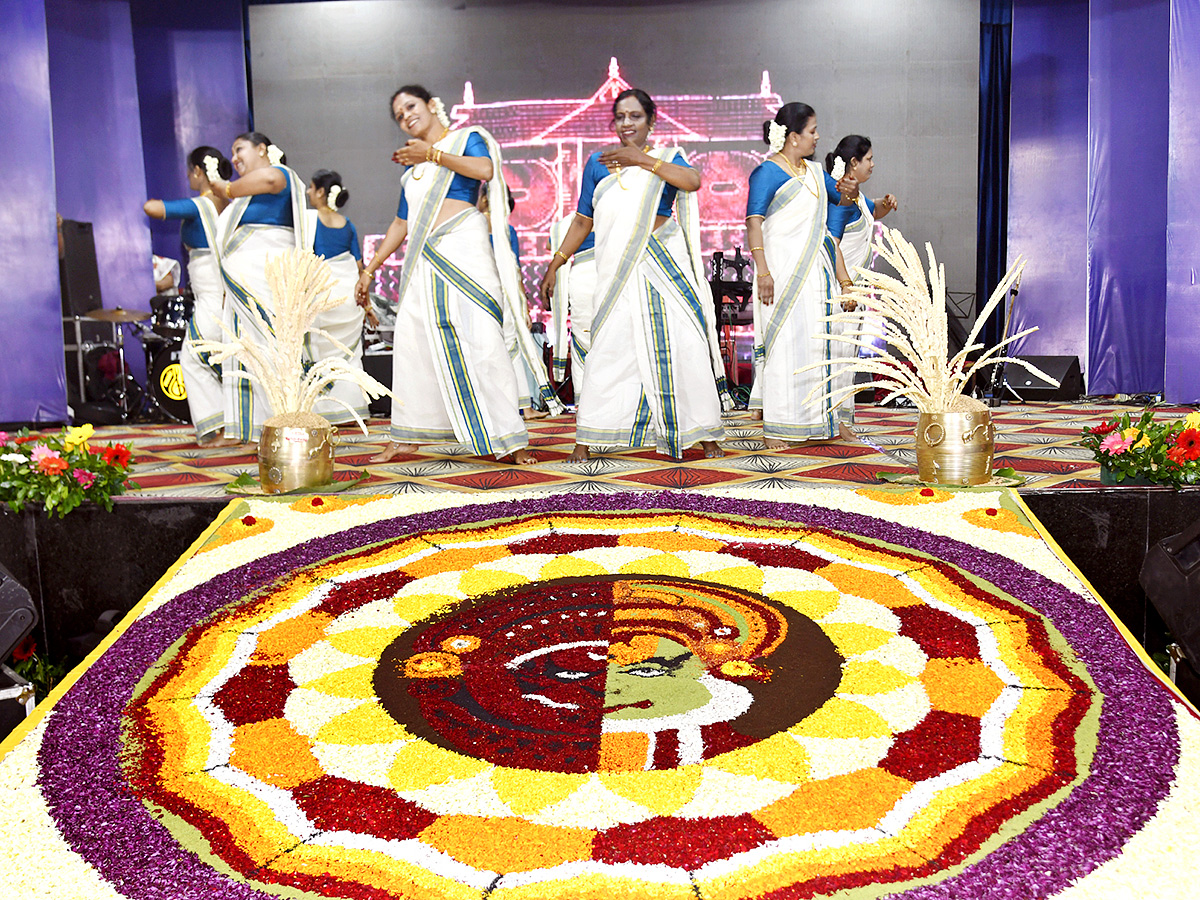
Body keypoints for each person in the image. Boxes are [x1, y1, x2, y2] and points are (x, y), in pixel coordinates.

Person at [538, 88, 728, 462]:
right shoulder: (598, 163)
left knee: (685, 345)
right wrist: (556, 261)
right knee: (609, 347)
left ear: (651, 121)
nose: (626, 124)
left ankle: (706, 435)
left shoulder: (668, 158)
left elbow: (692, 181)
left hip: (663, 262)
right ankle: (586, 437)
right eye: (620, 117)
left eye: (635, 117)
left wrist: (642, 161)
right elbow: (582, 220)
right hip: (618, 271)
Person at [355, 85, 534, 464]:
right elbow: (402, 223)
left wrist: (433, 154)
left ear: (432, 105)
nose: (406, 116)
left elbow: (486, 171)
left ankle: (510, 438)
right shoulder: (412, 174)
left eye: (411, 106)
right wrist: (370, 269)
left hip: (464, 247)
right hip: (424, 260)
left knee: (483, 339)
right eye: (399, 115)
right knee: (412, 344)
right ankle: (406, 436)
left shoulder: (467, 139)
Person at [745, 103, 860, 449]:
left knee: (812, 347)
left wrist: (848, 187)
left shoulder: (812, 172)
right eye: (812, 131)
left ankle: (811, 422)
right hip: (779, 275)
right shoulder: (766, 173)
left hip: (815, 278)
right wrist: (762, 271)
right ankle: (777, 426)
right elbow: (754, 223)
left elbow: (841, 198)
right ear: (793, 137)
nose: (817, 137)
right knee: (783, 348)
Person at [209, 132, 308, 443]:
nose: (235, 158)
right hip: (242, 281)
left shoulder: (279, 174)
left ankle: (284, 424)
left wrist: (225, 188)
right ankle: (248, 430)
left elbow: (268, 180)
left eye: (240, 149)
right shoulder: (243, 198)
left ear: (262, 149)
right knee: (242, 350)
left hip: (266, 274)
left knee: (272, 347)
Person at [143, 146, 238, 446]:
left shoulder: (202, 205)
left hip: (213, 289)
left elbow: (151, 208)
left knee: (194, 357)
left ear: (199, 171)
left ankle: (218, 429)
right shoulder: (228, 202)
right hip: (223, 287)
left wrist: (185, 203)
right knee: (224, 359)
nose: (187, 176)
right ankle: (232, 425)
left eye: (190, 171)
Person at [477, 188, 560, 420]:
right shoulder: (506, 230)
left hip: (478, 292)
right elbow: (516, 272)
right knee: (512, 348)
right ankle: (524, 407)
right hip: (503, 294)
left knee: (485, 347)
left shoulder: (471, 227)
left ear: (483, 199)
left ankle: (488, 407)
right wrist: (523, 306)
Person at [304, 169, 370, 426]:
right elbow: (360, 267)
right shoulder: (348, 224)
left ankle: (322, 412)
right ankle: (351, 410)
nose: (308, 192)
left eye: (311, 187)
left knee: (318, 353)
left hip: (323, 296)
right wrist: (368, 305)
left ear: (321, 191)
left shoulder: (309, 220)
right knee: (349, 356)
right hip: (348, 298)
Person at [825, 134, 897, 286]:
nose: (872, 164)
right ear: (854, 162)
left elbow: (874, 211)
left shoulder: (856, 198)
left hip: (854, 291)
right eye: (869, 159)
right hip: (841, 294)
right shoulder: (840, 201)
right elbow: (831, 244)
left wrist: (886, 203)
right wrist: (846, 284)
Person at [546, 210, 597, 405]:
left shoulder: (566, 225)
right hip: (608, 276)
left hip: (582, 280)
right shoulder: (614, 215)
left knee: (582, 343)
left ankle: (584, 404)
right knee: (611, 340)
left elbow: (550, 244)